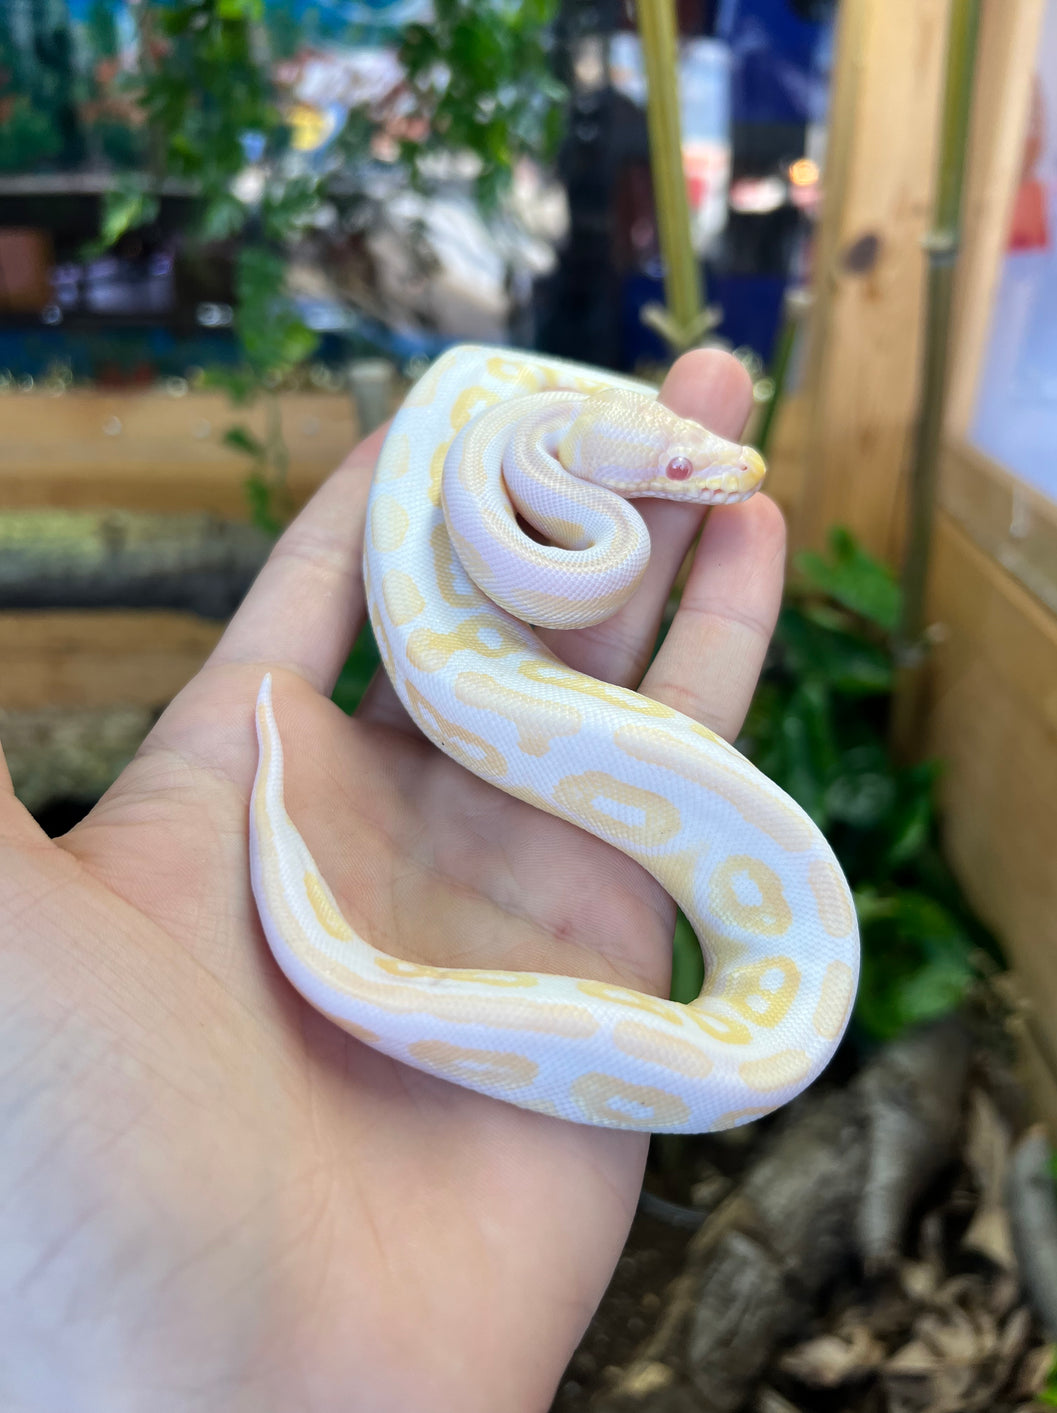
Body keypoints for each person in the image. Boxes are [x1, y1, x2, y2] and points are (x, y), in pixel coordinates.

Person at [0, 349, 786, 1411]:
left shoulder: (518, 447)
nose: (713, 472)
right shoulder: (559, 503)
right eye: (685, 470)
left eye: (687, 467)